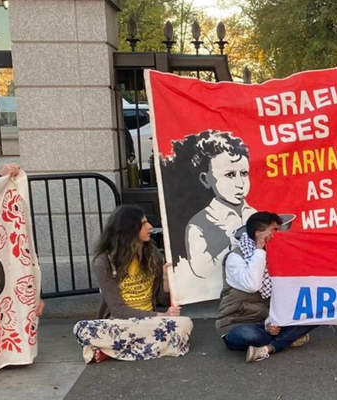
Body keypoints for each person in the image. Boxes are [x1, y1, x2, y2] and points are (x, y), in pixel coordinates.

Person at [77, 205, 185, 363]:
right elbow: (118, 310)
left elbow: (161, 300)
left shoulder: (153, 255)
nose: (150, 227)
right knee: (81, 328)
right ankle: (144, 347)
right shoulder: (104, 262)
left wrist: (166, 280)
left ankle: (113, 350)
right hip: (119, 322)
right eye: (143, 223)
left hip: (149, 320)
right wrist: (162, 315)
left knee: (184, 325)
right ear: (128, 229)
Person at [218, 211, 317, 363]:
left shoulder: (276, 256)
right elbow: (252, 285)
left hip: (268, 322)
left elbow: (280, 296)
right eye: (275, 230)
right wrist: (259, 248)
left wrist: (270, 323)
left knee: (316, 313)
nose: (279, 234)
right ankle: (287, 339)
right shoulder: (235, 257)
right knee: (250, 335)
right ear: (259, 233)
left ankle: (267, 348)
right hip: (237, 324)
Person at [182, 131, 255, 286]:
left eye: (244, 173)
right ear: (206, 179)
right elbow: (201, 271)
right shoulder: (199, 225)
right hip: (220, 297)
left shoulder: (255, 215)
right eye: (229, 175)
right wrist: (232, 244)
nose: (239, 183)